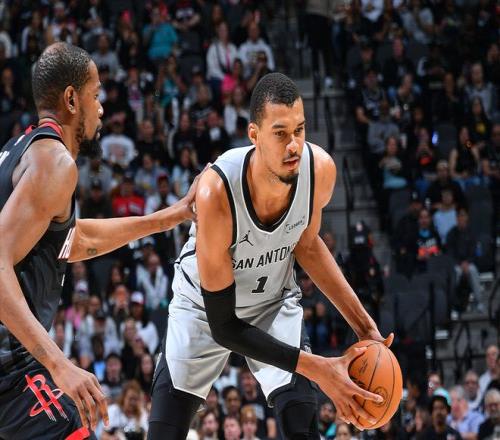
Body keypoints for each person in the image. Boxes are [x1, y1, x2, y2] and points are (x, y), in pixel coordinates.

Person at [147, 73, 392, 439]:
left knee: (302, 426)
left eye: (299, 130)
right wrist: (319, 368)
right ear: (254, 135)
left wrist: (365, 326)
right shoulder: (217, 192)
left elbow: (307, 244)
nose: (293, 145)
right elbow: (225, 327)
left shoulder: (319, 171)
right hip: (203, 310)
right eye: (280, 133)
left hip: (272, 302)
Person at [0, 42, 199, 439]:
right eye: (96, 95)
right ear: (72, 99)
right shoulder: (55, 163)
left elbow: (73, 239)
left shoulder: (19, 151)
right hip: (12, 371)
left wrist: (168, 217)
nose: (102, 108)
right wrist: (58, 364)